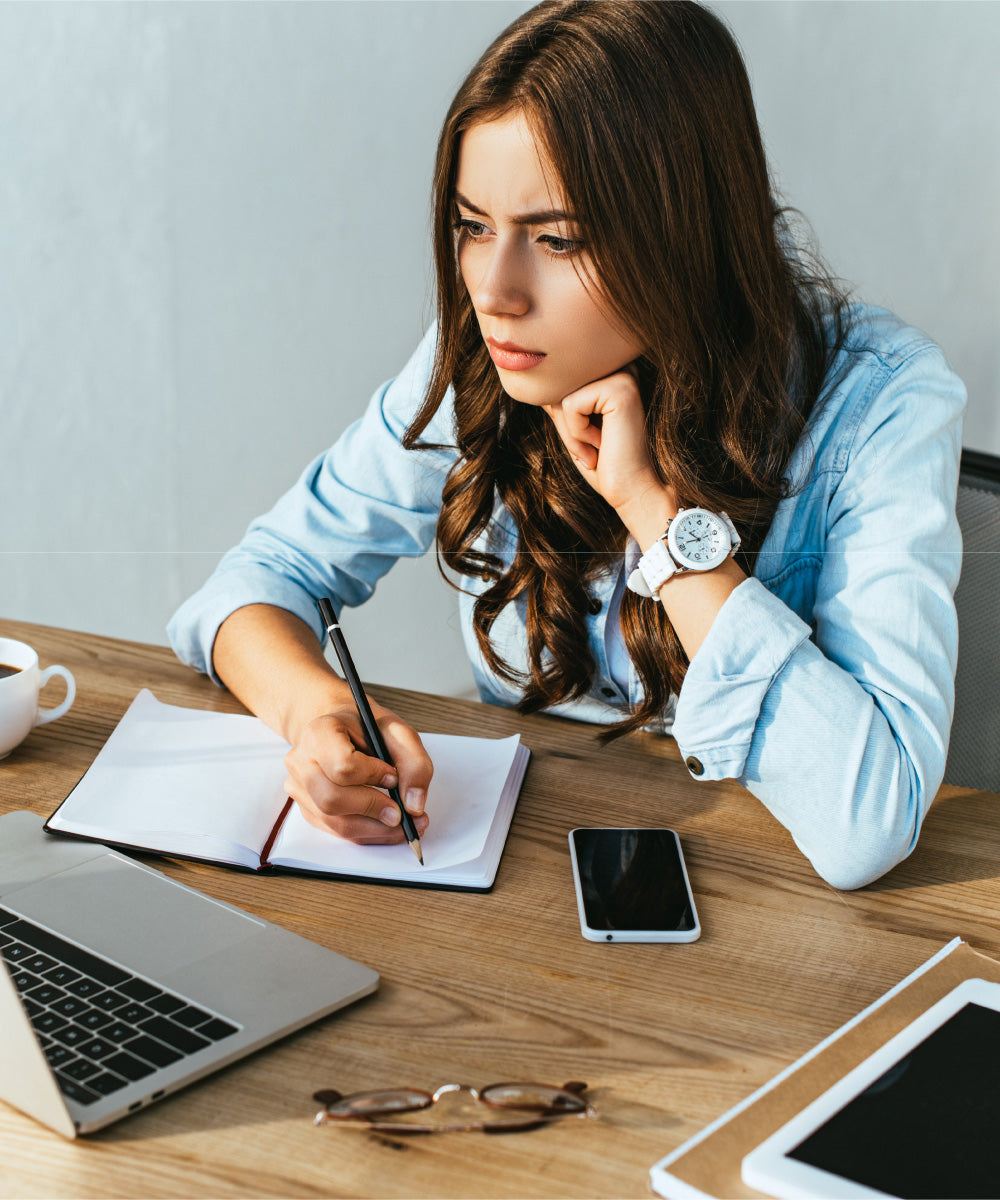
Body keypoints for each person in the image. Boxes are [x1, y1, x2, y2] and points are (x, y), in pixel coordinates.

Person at [168, 0, 964, 891]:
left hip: (766, 901)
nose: (495, 291)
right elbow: (258, 580)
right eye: (473, 227)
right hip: (521, 873)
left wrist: (659, 521)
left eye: (558, 239)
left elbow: (869, 825)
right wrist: (314, 712)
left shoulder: (883, 401)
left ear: (682, 236)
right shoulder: (483, 355)